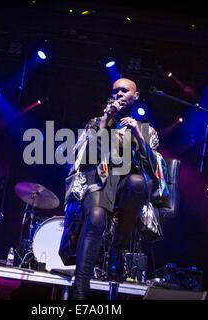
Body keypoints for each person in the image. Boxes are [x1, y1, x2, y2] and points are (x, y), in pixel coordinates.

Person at [59, 78, 169, 299]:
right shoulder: (97, 121)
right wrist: (105, 120)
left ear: (135, 96)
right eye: (115, 90)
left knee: (137, 182)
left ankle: (118, 246)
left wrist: (138, 135)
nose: (118, 93)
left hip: (127, 186)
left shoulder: (147, 130)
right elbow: (87, 156)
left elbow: (154, 169)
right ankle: (80, 291)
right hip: (98, 180)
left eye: (124, 90)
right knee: (97, 217)